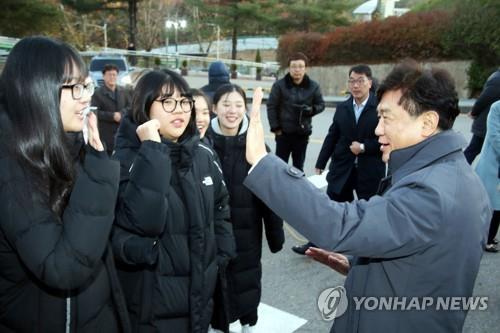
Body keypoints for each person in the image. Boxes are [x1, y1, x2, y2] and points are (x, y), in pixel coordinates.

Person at [244, 62, 491, 332]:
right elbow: (423, 267)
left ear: (427, 123)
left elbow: (339, 223)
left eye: (386, 117)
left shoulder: (431, 192)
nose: (377, 130)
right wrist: (360, 265)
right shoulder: (455, 177)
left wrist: (263, 163)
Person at [0, 36, 130, 332]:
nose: (86, 97)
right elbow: (63, 267)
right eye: (75, 87)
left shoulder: (62, 145)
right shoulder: (10, 164)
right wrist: (98, 169)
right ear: (38, 91)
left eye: (87, 85)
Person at [111, 69, 235, 332]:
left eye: (184, 102)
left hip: (201, 295)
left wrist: (221, 255)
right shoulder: (124, 160)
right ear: (144, 106)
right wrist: (153, 153)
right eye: (167, 102)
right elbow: (139, 225)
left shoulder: (202, 153)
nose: (179, 110)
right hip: (153, 304)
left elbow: (221, 206)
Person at [206, 84, 284, 333]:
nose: (232, 111)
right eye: (226, 104)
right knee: (215, 284)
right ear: (214, 107)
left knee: (247, 281)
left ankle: (248, 323)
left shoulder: (257, 144)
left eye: (239, 105)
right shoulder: (202, 144)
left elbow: (271, 196)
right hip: (211, 233)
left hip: (247, 233)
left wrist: (275, 235)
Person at [290, 65, 384, 255]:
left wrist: (364, 147)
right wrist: (320, 162)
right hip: (343, 167)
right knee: (330, 208)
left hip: (369, 170)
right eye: (352, 81)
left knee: (369, 211)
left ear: (370, 83)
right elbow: (332, 135)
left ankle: (367, 249)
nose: (355, 85)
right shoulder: (343, 107)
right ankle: (316, 244)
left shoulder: (379, 107)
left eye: (360, 81)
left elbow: (386, 138)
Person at [266, 52, 325, 171]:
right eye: (293, 66)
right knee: (280, 167)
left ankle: (298, 189)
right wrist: (276, 128)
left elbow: (321, 104)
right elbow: (271, 106)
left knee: (299, 168)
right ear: (289, 68)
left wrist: (311, 110)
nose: (297, 70)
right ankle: (279, 189)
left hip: (302, 134)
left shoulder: (313, 86)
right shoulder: (279, 85)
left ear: (305, 68)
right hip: (283, 134)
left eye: (300, 66)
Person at [91, 64, 132, 156]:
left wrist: (121, 114)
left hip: (122, 132)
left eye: (114, 75)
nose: (112, 77)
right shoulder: (97, 93)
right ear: (104, 76)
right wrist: (112, 116)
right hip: (105, 133)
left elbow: (130, 107)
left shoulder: (124, 91)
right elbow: (95, 112)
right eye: (109, 74)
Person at [475, 101, 500, 252]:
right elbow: (494, 135)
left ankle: (489, 236)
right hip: (493, 162)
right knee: (492, 204)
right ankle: (487, 239)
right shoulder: (497, 107)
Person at [464, 68, 500, 164]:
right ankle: (457, 171)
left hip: (490, 124)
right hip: (487, 124)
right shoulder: (497, 79)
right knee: (473, 150)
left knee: (475, 150)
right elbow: (483, 99)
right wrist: (474, 112)